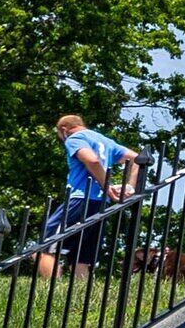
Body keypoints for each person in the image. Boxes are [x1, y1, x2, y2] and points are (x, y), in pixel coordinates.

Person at [38, 113, 142, 282]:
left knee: (45, 248)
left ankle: (51, 291)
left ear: (64, 130)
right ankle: (82, 297)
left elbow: (91, 160)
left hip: (80, 199)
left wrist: (106, 186)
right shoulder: (105, 141)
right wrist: (129, 186)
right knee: (82, 256)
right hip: (100, 204)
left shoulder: (75, 138)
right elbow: (137, 159)